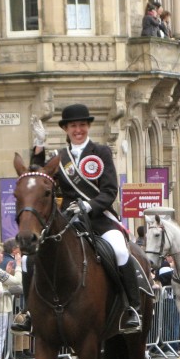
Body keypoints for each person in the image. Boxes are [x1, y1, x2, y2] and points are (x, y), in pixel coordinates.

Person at [24, 104, 142, 333]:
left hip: (98, 217)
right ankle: (27, 313)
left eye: (81, 125)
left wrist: (90, 205)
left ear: (87, 127)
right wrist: (39, 144)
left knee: (119, 249)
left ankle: (132, 308)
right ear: (66, 129)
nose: (78, 130)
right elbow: (37, 174)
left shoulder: (101, 152)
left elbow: (109, 190)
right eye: (73, 126)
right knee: (28, 259)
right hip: (68, 219)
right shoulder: (60, 157)